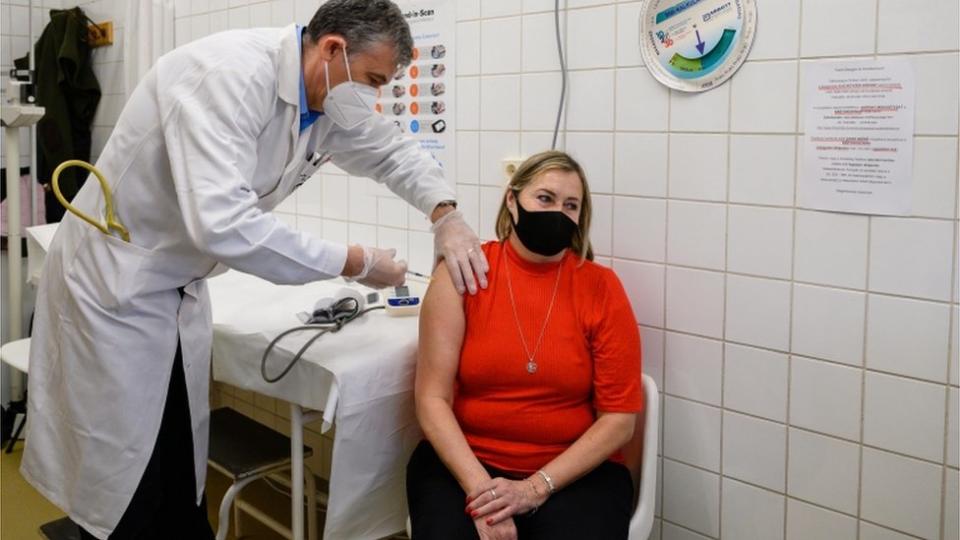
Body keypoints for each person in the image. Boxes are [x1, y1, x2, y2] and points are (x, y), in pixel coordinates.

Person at [21, 1, 489, 538]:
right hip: (113, 287)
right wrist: (356, 263)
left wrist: (445, 215)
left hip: (175, 288)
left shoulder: (326, 101)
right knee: (124, 480)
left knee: (175, 464)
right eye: (373, 79)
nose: (374, 95)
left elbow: (391, 153)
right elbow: (222, 224)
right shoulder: (225, 76)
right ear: (333, 48)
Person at [408, 151, 644, 540]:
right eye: (545, 198)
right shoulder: (463, 273)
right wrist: (482, 493)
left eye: (571, 205)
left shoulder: (601, 288)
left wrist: (533, 489)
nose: (558, 212)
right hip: (464, 464)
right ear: (512, 200)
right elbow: (431, 399)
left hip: (573, 473)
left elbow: (619, 421)